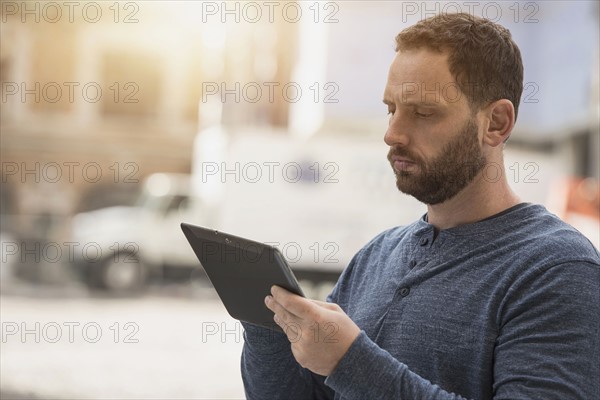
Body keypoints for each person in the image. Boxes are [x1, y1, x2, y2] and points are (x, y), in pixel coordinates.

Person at [240, 12, 600, 399]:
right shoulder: (376, 256)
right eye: (391, 109)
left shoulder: (557, 270)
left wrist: (350, 362)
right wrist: (265, 324)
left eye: (423, 113)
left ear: (496, 122)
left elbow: (350, 368)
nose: (392, 133)